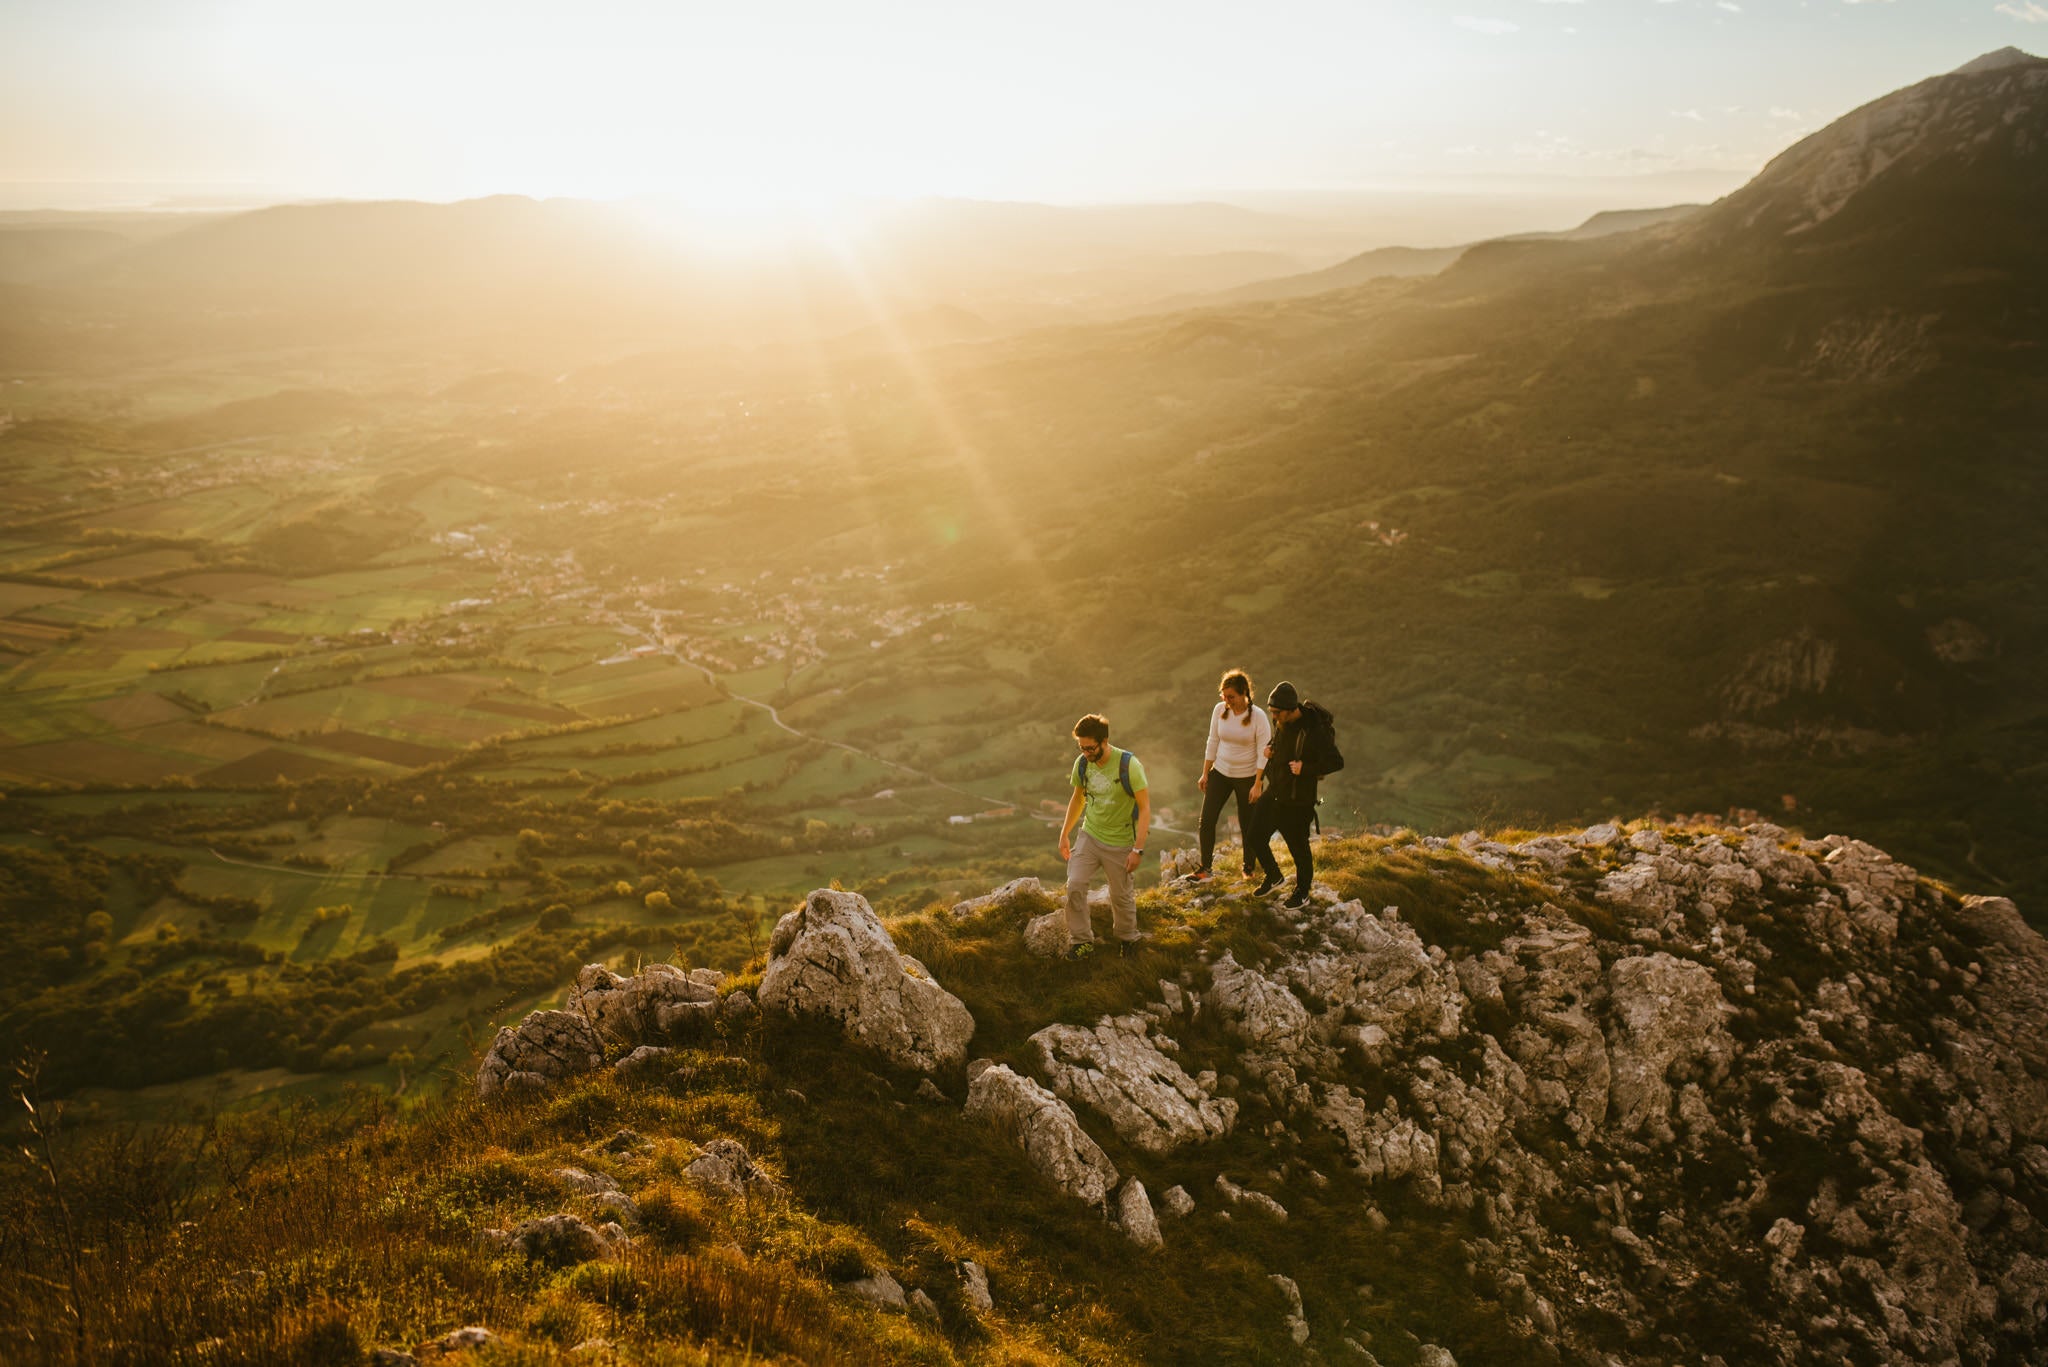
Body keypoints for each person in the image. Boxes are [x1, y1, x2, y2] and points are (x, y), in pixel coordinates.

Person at [1058, 713, 1151, 960]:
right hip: (1090, 834)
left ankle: (1128, 939)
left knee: (1120, 895)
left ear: (1104, 741)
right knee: (1075, 885)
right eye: (1082, 748)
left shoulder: (1129, 765)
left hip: (1121, 841)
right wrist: (1065, 833)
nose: (1086, 753)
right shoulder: (1082, 763)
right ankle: (1082, 941)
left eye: (1090, 748)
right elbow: (1078, 798)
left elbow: (1144, 808)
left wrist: (1138, 849)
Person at [1247, 681, 1339, 909]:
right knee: (1254, 837)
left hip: (1298, 800)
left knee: (1299, 849)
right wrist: (1270, 750)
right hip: (1275, 792)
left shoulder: (1313, 730)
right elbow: (1281, 744)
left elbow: (1336, 761)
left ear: (1290, 709)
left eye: (1277, 713)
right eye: (1272, 712)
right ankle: (1274, 876)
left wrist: (1305, 768)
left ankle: (1302, 892)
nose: (1274, 717)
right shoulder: (1282, 721)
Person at [1193, 669, 1270, 881]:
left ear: (1244, 692)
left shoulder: (1258, 717)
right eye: (1224, 696)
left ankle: (1248, 868)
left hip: (1247, 776)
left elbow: (1264, 752)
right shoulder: (1219, 710)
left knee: (1248, 825)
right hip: (1221, 772)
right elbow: (1213, 741)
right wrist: (1205, 773)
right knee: (1207, 820)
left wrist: (1258, 783)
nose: (1227, 701)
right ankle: (1205, 868)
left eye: (1231, 697)